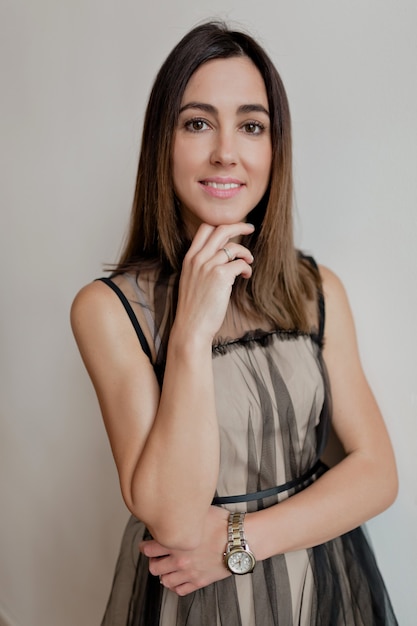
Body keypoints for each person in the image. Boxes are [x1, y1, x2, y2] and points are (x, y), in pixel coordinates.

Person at [71, 21, 398, 626]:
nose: (226, 151)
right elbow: (171, 515)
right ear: (162, 143)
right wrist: (193, 333)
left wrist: (238, 542)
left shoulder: (315, 290)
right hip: (194, 602)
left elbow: (378, 473)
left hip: (320, 584)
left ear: (275, 148)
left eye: (251, 126)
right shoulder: (108, 309)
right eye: (198, 123)